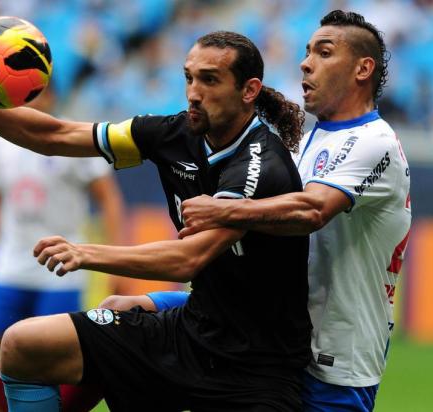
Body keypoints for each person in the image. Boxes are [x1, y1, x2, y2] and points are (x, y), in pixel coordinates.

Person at [0, 31, 311, 411]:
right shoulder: (173, 133)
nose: (194, 92)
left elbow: (187, 260)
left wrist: (85, 253)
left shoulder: (262, 164)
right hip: (193, 330)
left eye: (210, 80)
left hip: (256, 366)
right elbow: (57, 135)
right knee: (21, 344)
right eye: (189, 78)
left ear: (249, 90)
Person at [102, 10, 412, 412]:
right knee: (112, 326)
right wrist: (168, 302)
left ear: (362, 68)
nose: (305, 62)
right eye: (306, 52)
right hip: (269, 338)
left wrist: (225, 211)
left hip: (336, 361)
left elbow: (312, 211)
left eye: (324, 52)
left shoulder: (376, 141)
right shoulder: (306, 143)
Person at [0, 86, 124, 412]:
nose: (26, 104)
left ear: (51, 96)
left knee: (55, 363)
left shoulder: (73, 138)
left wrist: (115, 260)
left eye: (33, 95)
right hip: (9, 265)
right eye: (20, 97)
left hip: (59, 270)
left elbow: (108, 198)